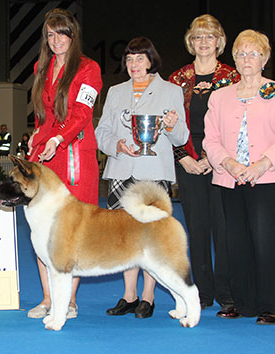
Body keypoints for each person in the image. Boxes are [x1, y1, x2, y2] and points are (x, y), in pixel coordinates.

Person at [95, 37, 188, 319]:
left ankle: (148, 296)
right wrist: (116, 145)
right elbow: (102, 131)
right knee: (123, 237)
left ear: (151, 61)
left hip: (154, 174)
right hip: (122, 169)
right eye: (129, 59)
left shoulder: (170, 91)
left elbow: (181, 136)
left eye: (140, 58)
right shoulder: (115, 91)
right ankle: (129, 295)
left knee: (151, 238)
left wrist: (172, 125)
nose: (134, 64)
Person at [27, 8, 102, 319]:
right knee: (42, 228)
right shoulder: (40, 67)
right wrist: (36, 135)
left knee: (73, 230)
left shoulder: (89, 68)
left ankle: (68, 301)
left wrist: (58, 139)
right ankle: (47, 298)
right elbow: (43, 113)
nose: (55, 40)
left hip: (75, 153)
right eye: (50, 34)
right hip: (46, 152)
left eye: (61, 33)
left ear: (73, 35)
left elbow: (81, 115)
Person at [203, 29, 275, 325]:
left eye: (254, 53)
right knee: (235, 241)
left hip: (268, 179)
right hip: (229, 178)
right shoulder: (220, 96)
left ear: (266, 58)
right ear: (233, 58)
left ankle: (270, 304)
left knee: (266, 241)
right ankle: (242, 302)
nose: (247, 59)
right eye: (241, 54)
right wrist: (229, 164)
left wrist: (262, 164)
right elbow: (211, 140)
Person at [169, 14, 240, 313]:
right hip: (188, 161)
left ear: (219, 41)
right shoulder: (176, 79)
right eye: (197, 37)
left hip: (222, 159)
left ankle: (228, 292)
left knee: (224, 229)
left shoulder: (233, 77)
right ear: (190, 42)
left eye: (209, 37)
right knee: (196, 228)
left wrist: (215, 156)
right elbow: (167, 125)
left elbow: (239, 122)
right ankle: (202, 291)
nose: (203, 42)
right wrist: (183, 157)